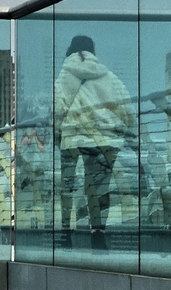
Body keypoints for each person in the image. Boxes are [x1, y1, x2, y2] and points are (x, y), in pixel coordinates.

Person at [54, 35, 136, 248]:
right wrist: (130, 131)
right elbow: (127, 108)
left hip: (72, 137)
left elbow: (58, 109)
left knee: (67, 186)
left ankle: (65, 233)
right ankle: (98, 233)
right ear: (93, 51)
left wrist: (57, 134)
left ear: (71, 50)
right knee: (98, 187)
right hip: (104, 139)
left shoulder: (64, 76)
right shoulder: (108, 76)